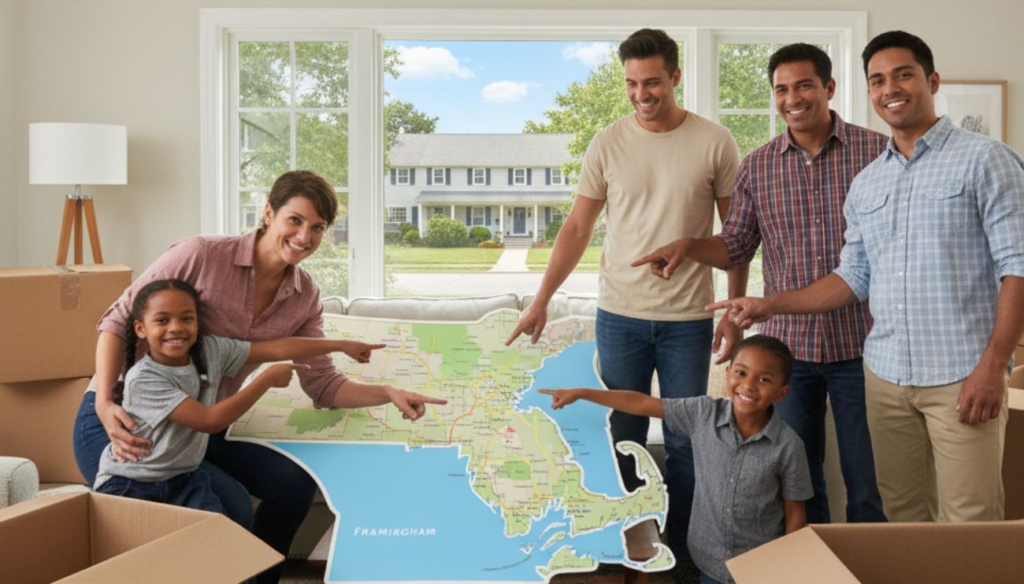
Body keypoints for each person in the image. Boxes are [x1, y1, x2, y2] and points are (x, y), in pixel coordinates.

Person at [709, 30, 1024, 523]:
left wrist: (994, 365)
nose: (890, 88)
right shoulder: (870, 179)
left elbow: (1018, 266)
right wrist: (764, 305)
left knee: (970, 519)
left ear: (931, 80)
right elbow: (851, 276)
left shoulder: (986, 159)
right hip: (886, 375)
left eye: (903, 75)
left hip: (960, 374)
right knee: (899, 517)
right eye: (878, 80)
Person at [73, 170, 444, 583]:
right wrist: (105, 403)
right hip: (124, 421)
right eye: (295, 220)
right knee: (229, 509)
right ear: (268, 213)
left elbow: (323, 384)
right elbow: (117, 320)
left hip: (199, 427)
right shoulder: (200, 254)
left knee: (292, 486)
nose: (305, 237)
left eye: (317, 228)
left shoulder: (305, 296)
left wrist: (388, 392)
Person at [506, 28, 742, 570]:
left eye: (652, 82)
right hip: (618, 316)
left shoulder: (714, 141)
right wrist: (542, 298)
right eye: (632, 83)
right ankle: (627, 550)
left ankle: (682, 553)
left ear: (676, 77)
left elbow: (736, 238)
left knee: (685, 442)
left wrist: (733, 308)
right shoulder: (607, 142)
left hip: (688, 319)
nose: (641, 94)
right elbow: (576, 227)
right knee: (622, 437)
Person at [632, 43, 887, 524]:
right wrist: (688, 246)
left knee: (867, 480)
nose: (793, 98)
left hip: (866, 345)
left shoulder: (878, 154)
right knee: (799, 481)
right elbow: (736, 245)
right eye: (782, 89)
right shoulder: (759, 165)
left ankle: (866, 568)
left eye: (805, 85)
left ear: (829, 88)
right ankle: (811, 571)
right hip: (790, 356)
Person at [94, 279, 441, 512]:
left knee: (221, 553)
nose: (176, 328)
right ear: (141, 329)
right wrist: (264, 382)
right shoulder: (144, 379)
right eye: (162, 320)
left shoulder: (211, 349)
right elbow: (209, 421)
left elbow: (276, 346)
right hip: (132, 485)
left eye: (186, 318)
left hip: (184, 478)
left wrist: (340, 344)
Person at [539, 335, 812, 584]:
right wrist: (583, 393)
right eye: (741, 372)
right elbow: (642, 403)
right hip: (709, 563)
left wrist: (785, 570)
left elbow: (795, 513)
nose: (749, 385)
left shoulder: (788, 446)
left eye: (764, 379)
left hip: (762, 567)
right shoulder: (703, 414)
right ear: (728, 373)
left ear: (782, 392)